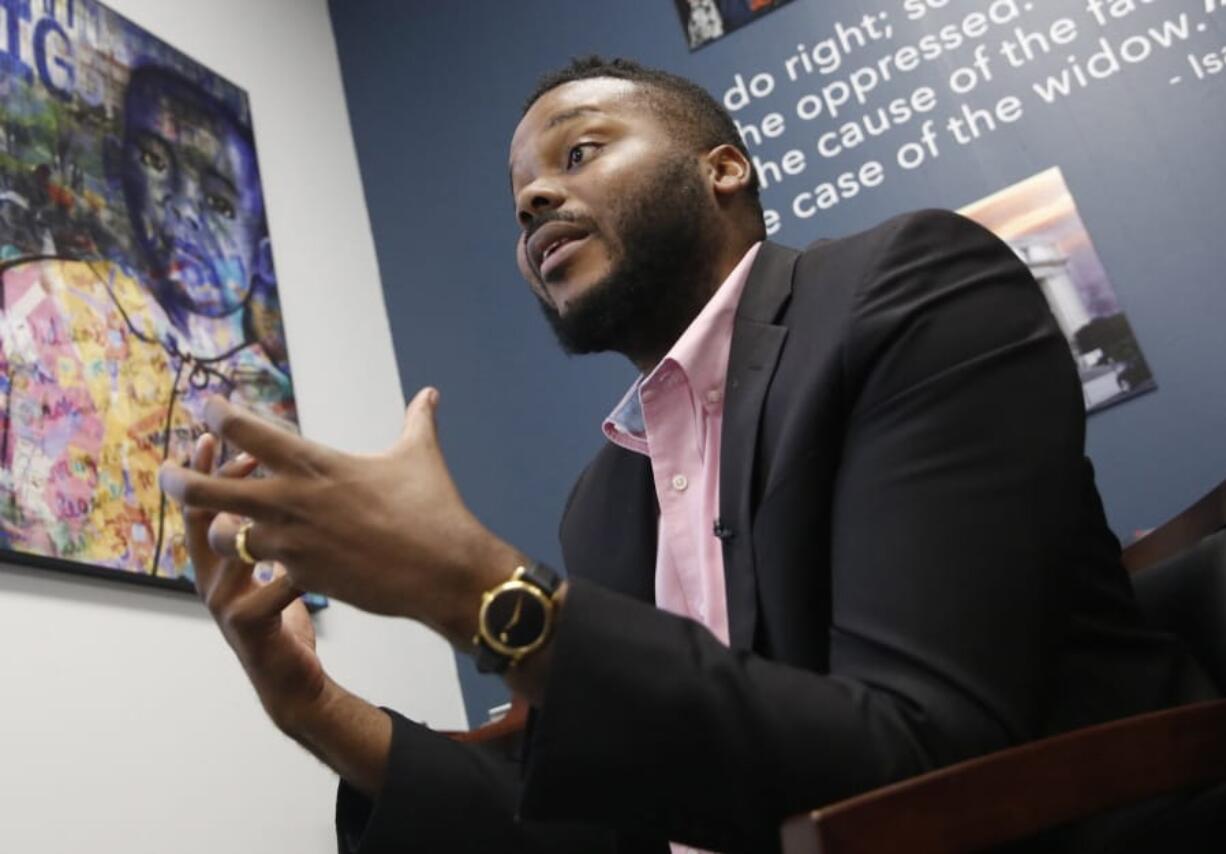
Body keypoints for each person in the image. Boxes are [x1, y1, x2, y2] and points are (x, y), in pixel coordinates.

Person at [160, 57, 1216, 853]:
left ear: (722, 170)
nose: (532, 199)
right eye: (518, 195)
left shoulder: (906, 288)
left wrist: (476, 591)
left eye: (578, 154)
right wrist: (316, 708)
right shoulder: (605, 498)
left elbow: (923, 755)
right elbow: (619, 823)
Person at [0, 65, 294, 575]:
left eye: (220, 203)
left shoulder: (270, 406)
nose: (180, 207)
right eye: (154, 160)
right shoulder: (41, 300)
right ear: (119, 169)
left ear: (263, 256)